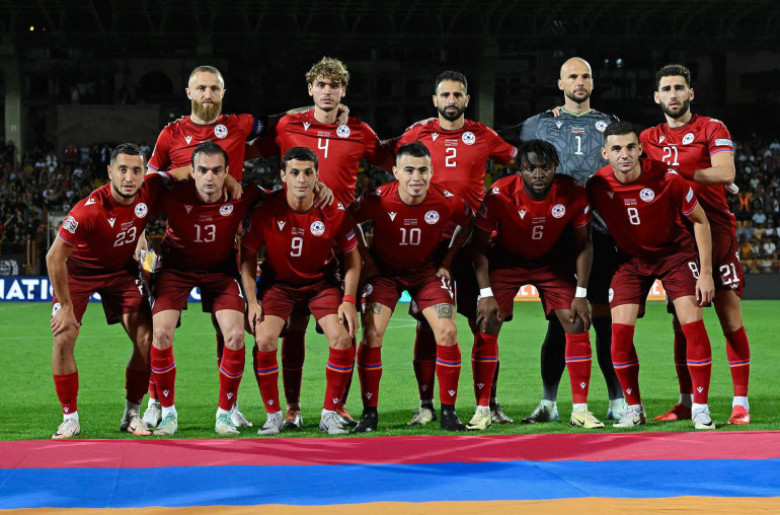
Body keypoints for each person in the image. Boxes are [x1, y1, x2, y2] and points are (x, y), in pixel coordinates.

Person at [252, 57, 392, 429]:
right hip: (295, 236)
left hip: (340, 239)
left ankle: (338, 406)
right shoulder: (289, 125)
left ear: (343, 90)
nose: (327, 91)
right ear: (310, 89)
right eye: (321, 85)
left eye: (334, 85)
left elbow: (394, 161)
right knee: (294, 327)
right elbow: (249, 148)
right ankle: (292, 408)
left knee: (348, 326)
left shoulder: (359, 131)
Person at [503, 57, 625, 424]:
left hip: (601, 235)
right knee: (559, 323)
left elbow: (633, 161)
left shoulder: (610, 124)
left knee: (604, 322)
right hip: (557, 238)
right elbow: (499, 146)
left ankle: (617, 400)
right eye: (572, 76)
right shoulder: (539, 124)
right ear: (560, 83)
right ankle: (549, 403)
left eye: (586, 75)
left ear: (593, 82)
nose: (580, 81)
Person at [142, 65, 263, 429]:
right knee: (160, 330)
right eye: (201, 88)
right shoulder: (171, 134)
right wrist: (139, 236)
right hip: (176, 257)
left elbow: (281, 127)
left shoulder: (238, 126)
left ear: (223, 92)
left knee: (230, 332)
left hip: (224, 253)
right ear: (189, 93)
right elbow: (148, 185)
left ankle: (229, 408)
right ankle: (158, 403)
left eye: (214, 88)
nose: (208, 94)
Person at [397, 70, 517, 426]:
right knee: (428, 325)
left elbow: (522, 163)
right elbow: (389, 159)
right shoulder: (416, 134)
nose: (451, 100)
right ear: (435, 100)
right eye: (445, 95)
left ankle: (489, 403)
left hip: (474, 246)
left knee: (485, 323)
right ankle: (426, 405)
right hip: (432, 248)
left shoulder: (484, 135)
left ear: (466, 99)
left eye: (457, 94)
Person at [640, 64, 752, 425]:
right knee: (682, 322)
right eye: (666, 89)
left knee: (729, 316)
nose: (673, 94)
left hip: (716, 231)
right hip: (677, 238)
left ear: (690, 93)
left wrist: (677, 170)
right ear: (656, 97)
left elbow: (726, 173)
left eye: (679, 88)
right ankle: (686, 402)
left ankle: (741, 403)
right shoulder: (647, 138)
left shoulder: (712, 128)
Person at [587, 121, 716, 430]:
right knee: (619, 335)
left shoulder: (668, 179)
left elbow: (701, 221)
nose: (624, 154)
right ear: (605, 153)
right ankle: (634, 409)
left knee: (692, 327)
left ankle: (700, 408)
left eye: (630, 147)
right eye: (616, 149)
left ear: (640, 149)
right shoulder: (596, 185)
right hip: (631, 261)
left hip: (676, 256)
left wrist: (706, 273)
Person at [472, 139, 604, 430]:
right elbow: (478, 247)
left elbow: (584, 245)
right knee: (487, 323)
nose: (538, 174)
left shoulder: (573, 192)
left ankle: (580, 410)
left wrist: (581, 293)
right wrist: (485, 293)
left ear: (555, 166)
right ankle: (482, 410)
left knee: (577, 322)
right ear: (520, 169)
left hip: (551, 264)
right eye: (530, 168)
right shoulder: (499, 194)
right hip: (506, 263)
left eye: (545, 167)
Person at [46, 143, 175, 439]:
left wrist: (141, 241)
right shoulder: (88, 211)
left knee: (146, 339)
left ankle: (132, 414)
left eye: (136, 170)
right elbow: (54, 257)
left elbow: (182, 173)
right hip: (79, 274)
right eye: (122, 169)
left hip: (120, 273)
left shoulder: (148, 190)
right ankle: (69, 418)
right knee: (64, 336)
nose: (129, 177)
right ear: (110, 172)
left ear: (144, 173)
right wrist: (65, 306)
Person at [350, 142, 474, 432]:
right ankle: (369, 414)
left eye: (422, 170)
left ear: (431, 172)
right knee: (371, 333)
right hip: (385, 274)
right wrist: (366, 259)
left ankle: (449, 412)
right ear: (396, 172)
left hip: (427, 274)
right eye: (409, 170)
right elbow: (347, 221)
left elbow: (469, 222)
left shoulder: (446, 200)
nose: (416, 177)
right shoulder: (377, 199)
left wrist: (448, 260)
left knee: (447, 331)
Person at [240, 146, 361, 436]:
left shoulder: (334, 211)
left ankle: (330, 415)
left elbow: (353, 258)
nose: (301, 179)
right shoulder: (266, 210)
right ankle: (274, 415)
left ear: (317, 175)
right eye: (294, 172)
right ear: (283, 176)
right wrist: (252, 301)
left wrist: (348, 299)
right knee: (264, 339)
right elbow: (247, 257)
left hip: (321, 285)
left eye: (308, 172)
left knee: (342, 337)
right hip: (278, 286)